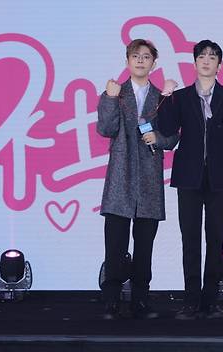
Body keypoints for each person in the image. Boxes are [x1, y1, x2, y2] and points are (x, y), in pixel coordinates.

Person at [158, 40, 223, 320]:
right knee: (190, 238)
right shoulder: (181, 96)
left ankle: (211, 300)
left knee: (215, 238)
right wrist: (166, 97)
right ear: (195, 63)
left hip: (218, 177)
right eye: (202, 56)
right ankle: (191, 300)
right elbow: (169, 128)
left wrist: (215, 154)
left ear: (220, 65)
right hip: (188, 176)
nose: (207, 61)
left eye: (212, 57)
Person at [96, 39, 179, 320]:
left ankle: (140, 299)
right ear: (127, 61)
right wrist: (108, 98)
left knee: (145, 245)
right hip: (120, 176)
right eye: (135, 56)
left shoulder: (163, 96)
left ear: (154, 63)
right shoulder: (116, 93)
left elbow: (173, 137)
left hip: (148, 178)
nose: (141, 61)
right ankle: (111, 298)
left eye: (146, 57)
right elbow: (106, 129)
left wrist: (160, 137)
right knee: (115, 244)